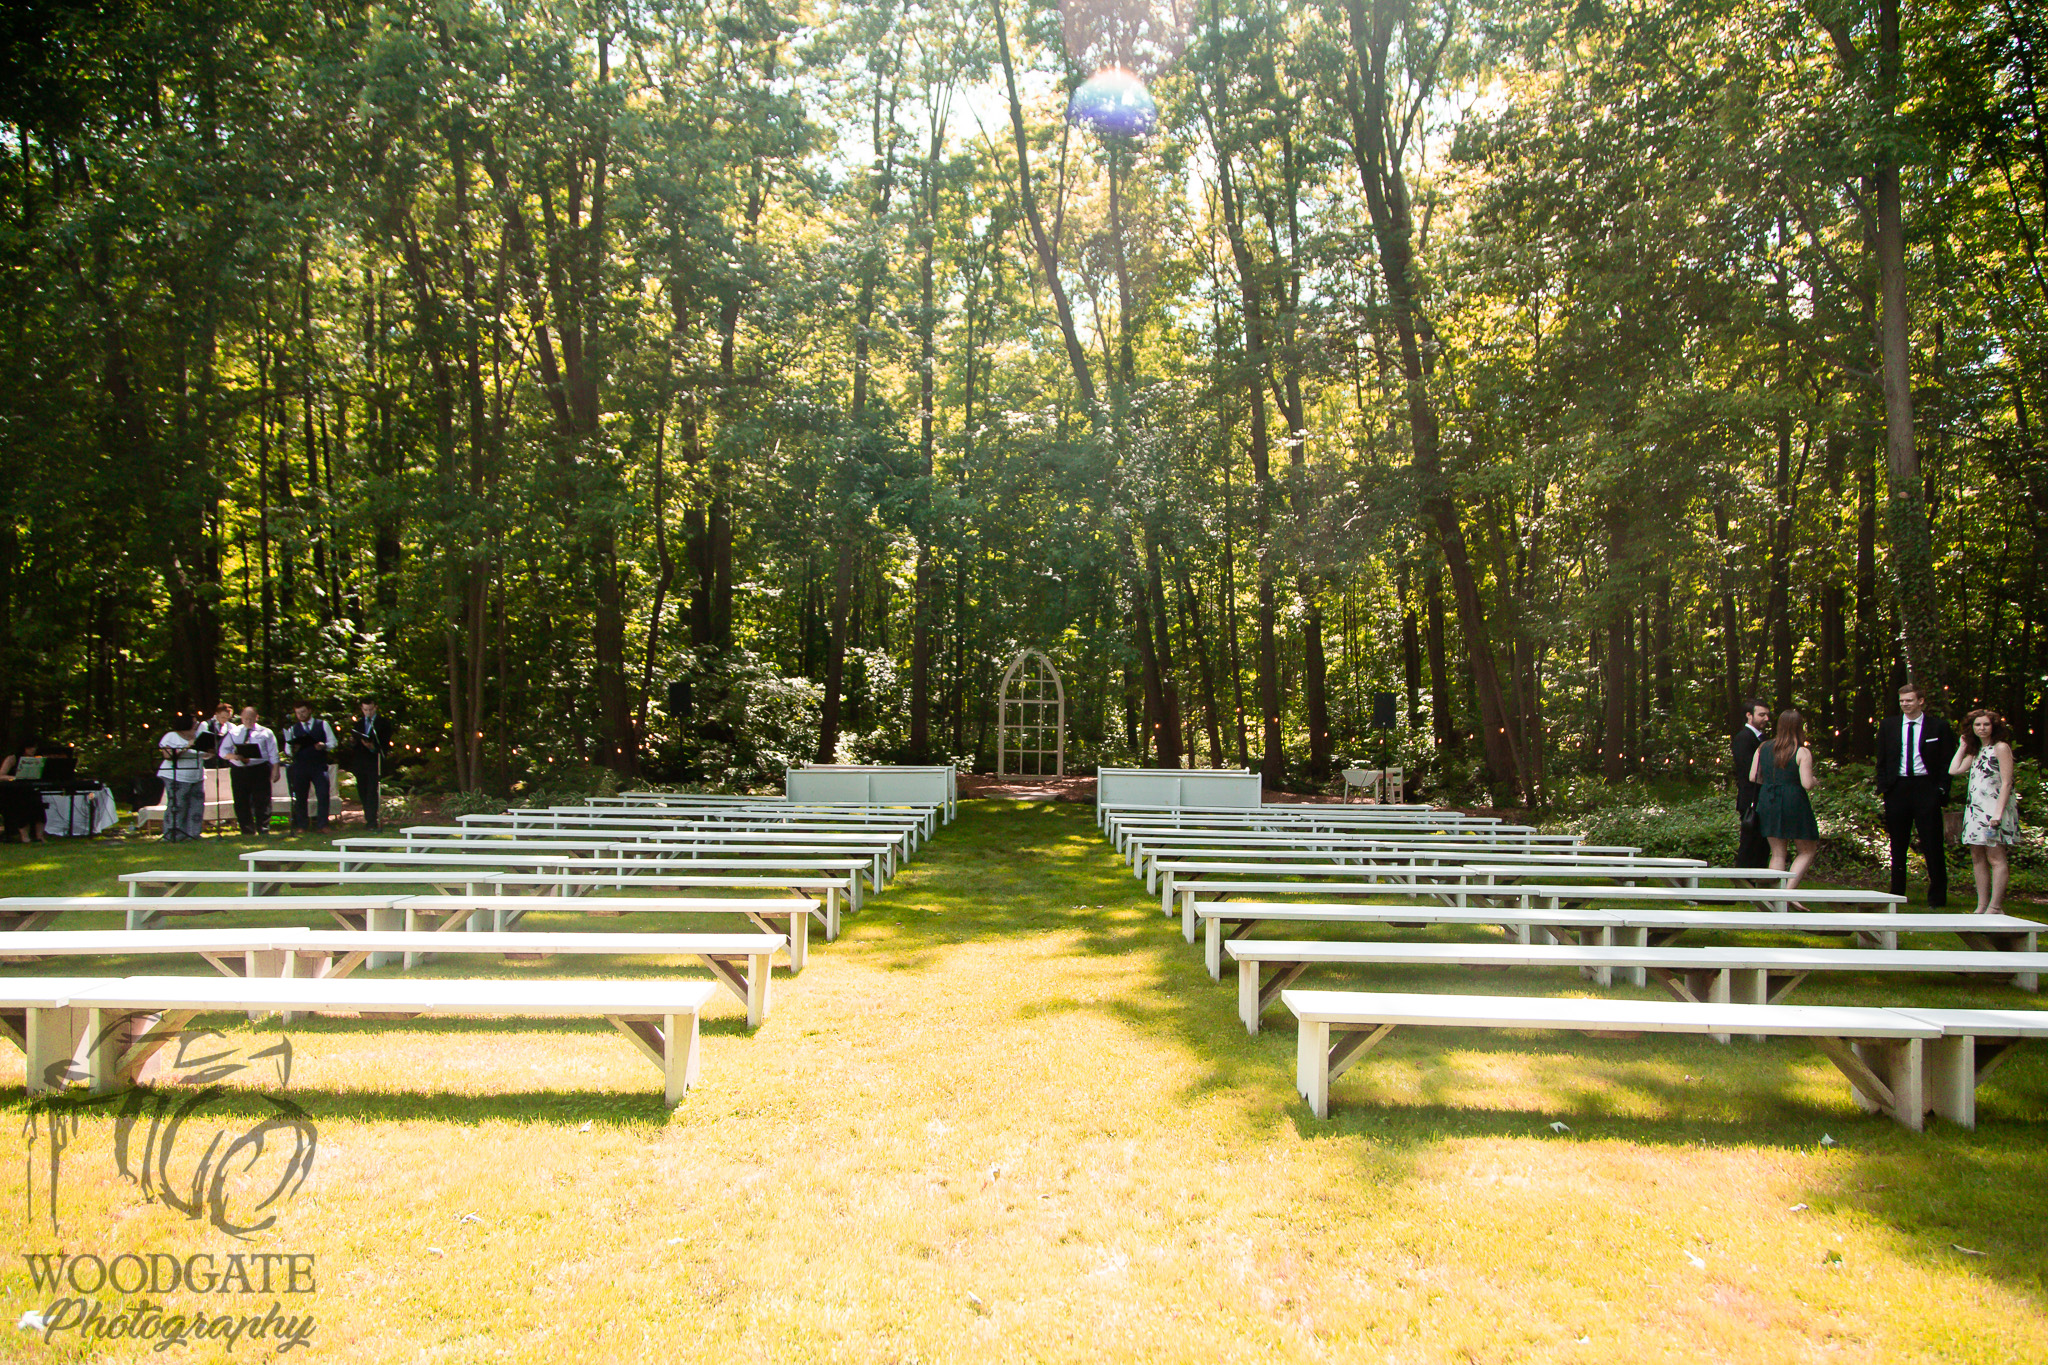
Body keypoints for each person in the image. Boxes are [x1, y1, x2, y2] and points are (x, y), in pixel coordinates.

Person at [1875, 680, 1957, 907]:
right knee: (1898, 843)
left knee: (1932, 842)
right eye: (1901, 701)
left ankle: (1937, 897)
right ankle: (1897, 893)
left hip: (1925, 787)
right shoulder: (1889, 726)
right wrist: (1884, 786)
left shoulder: (1938, 727)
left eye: (1909, 700)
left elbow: (1946, 761)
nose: (1905, 705)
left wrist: (1940, 788)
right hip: (1897, 788)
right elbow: (1881, 759)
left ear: (1921, 701)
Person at [1949, 708, 2020, 915]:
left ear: (1994, 726)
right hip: (1975, 811)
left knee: (1996, 857)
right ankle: (1981, 905)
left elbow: (2007, 783)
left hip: (1994, 812)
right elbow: (1954, 770)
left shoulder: (2001, 747)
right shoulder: (1976, 751)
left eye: (1986, 724)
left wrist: (1997, 815)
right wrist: (1962, 747)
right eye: (1977, 725)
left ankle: (1995, 906)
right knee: (1977, 857)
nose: (1982, 728)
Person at [1749, 708, 1822, 898]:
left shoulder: (1762, 747)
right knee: (1806, 849)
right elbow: (1806, 784)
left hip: (1768, 798)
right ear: (1800, 727)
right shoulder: (1801, 752)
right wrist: (1814, 781)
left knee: (1778, 852)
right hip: (1793, 800)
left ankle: (1774, 897)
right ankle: (1788, 893)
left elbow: (1753, 777)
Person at [225, 705, 280, 837]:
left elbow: (273, 753)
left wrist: (276, 770)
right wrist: (233, 756)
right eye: (245, 718)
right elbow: (223, 751)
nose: (248, 721)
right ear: (241, 718)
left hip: (259, 769)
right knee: (240, 800)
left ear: (257, 718)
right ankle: (247, 830)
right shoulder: (234, 732)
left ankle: (263, 828)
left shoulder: (266, 732)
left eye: (251, 718)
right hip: (239, 769)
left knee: (262, 799)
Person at [282, 702, 337, 834]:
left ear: (310, 711)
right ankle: (302, 824)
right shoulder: (293, 729)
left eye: (303, 712)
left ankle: (323, 824)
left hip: (319, 765)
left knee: (323, 794)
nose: (301, 715)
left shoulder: (322, 724)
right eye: (298, 713)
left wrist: (323, 745)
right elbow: (287, 749)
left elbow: (333, 742)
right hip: (300, 766)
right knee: (301, 796)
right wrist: (293, 749)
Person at [1731, 700, 1771, 869]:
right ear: (1749, 715)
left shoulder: (1762, 738)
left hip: (1761, 797)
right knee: (1749, 843)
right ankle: (1744, 881)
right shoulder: (1743, 738)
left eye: (1767, 715)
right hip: (1750, 798)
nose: (1766, 718)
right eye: (1761, 715)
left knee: (1761, 844)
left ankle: (1756, 880)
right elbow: (1748, 771)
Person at [157, 713, 207, 841]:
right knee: (178, 805)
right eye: (194, 722)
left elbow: (206, 754)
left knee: (196, 805)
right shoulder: (171, 736)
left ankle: (193, 834)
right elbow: (167, 755)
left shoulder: (200, 736)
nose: (196, 725)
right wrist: (186, 746)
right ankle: (173, 834)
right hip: (176, 776)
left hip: (196, 775)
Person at [347, 697, 393, 830]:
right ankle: (368, 816)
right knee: (362, 790)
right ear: (362, 709)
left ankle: (372, 820)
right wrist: (353, 741)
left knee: (372, 790)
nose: (368, 712)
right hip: (361, 762)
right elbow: (354, 744)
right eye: (365, 710)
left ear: (375, 708)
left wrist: (372, 746)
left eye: (371, 709)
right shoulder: (359, 724)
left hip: (374, 761)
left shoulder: (383, 723)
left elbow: (384, 743)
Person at [0, 740, 48, 843]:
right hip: (15, 791)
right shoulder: (12, 759)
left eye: (34, 747)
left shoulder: (37, 759)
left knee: (39, 810)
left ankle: (39, 836)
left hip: (31, 789)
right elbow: (1, 775)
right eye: (30, 747)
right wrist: (15, 778)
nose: (33, 750)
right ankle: (25, 836)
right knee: (22, 810)